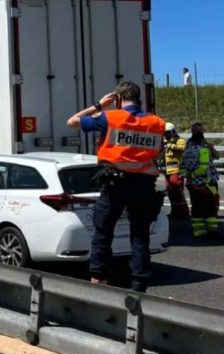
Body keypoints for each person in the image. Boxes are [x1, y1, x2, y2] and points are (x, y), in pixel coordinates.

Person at [67, 81, 165, 292]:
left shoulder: (110, 117)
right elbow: (158, 153)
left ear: (118, 99)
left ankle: (99, 281)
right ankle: (140, 285)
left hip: (115, 183)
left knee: (103, 233)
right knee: (140, 235)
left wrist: (98, 105)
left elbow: (72, 122)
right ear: (139, 98)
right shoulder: (157, 122)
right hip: (144, 184)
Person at [180, 123, 222, 239]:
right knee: (210, 206)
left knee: (197, 207)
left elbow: (183, 166)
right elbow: (206, 166)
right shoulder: (202, 148)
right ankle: (212, 231)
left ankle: (199, 230)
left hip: (192, 182)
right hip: (204, 182)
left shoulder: (187, 147)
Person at [162, 123, 189, 219]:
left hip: (176, 170)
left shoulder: (179, 140)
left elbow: (182, 148)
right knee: (171, 192)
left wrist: (169, 145)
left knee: (178, 191)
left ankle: (184, 211)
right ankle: (175, 211)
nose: (166, 135)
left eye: (167, 133)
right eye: (164, 133)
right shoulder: (165, 142)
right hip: (167, 171)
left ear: (173, 132)